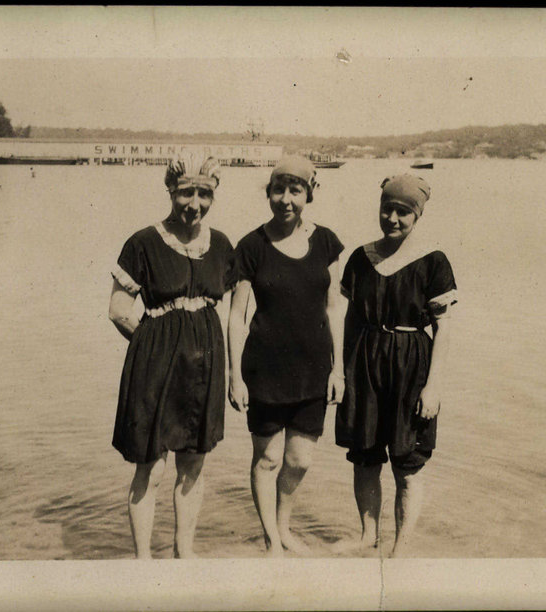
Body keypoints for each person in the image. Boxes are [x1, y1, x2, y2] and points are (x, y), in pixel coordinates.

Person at [108, 156, 235, 559]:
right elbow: (117, 309)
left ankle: (185, 556)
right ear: (170, 191)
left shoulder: (222, 245)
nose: (193, 203)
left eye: (204, 193)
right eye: (185, 192)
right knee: (152, 466)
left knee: (193, 465)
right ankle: (144, 561)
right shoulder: (143, 243)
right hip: (156, 368)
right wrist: (152, 349)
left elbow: (235, 307)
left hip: (204, 368)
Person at [228, 155, 344, 557]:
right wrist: (234, 375)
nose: (286, 199)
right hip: (264, 369)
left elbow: (334, 309)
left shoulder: (327, 242)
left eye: (296, 190)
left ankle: (283, 527)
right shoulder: (250, 247)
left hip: (315, 370)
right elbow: (237, 315)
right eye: (278, 189)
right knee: (268, 458)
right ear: (268, 192)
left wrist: (339, 370)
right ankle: (272, 541)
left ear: (310, 192)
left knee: (299, 459)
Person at [336, 173, 456, 557]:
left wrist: (433, 386)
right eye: (386, 209)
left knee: (408, 464)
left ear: (417, 216)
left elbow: (445, 327)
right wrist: (341, 370)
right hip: (365, 364)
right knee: (365, 457)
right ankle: (368, 537)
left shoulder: (432, 261)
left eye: (402, 212)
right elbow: (350, 318)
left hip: (412, 368)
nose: (392, 218)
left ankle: (400, 549)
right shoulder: (361, 257)